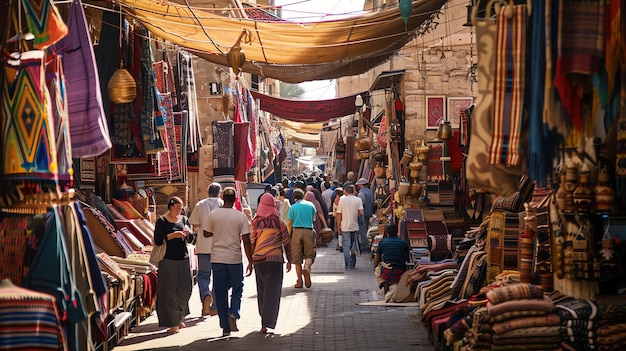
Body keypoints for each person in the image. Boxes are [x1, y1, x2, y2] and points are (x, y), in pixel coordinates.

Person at [205, 187, 253, 337]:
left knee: (220, 292)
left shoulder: (214, 214)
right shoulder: (240, 217)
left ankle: (225, 326)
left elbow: (206, 233)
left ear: (222, 198)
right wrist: (250, 261)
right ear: (235, 200)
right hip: (234, 259)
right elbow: (246, 241)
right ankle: (234, 313)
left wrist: (218, 231)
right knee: (237, 288)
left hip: (218, 258)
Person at [250, 193, 293, 334]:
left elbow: (252, 241)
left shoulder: (255, 221)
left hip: (259, 260)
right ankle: (268, 321)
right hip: (275, 260)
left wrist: (251, 261)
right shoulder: (279, 221)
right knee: (273, 292)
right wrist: (290, 260)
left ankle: (263, 322)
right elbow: (286, 242)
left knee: (261, 290)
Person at [153, 196, 194, 333]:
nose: (179, 210)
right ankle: (174, 323)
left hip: (183, 258)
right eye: (177, 207)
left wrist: (189, 234)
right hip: (168, 260)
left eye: (181, 208)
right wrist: (172, 235)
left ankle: (179, 317)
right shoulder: (162, 221)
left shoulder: (184, 220)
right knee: (170, 291)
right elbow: (158, 240)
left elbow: (191, 240)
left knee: (185, 289)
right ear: (170, 206)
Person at [188, 182, 223, 317]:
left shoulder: (200, 204)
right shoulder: (223, 204)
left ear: (208, 192)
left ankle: (205, 295)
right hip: (219, 246)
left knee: (203, 274)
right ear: (219, 192)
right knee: (218, 276)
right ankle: (214, 307)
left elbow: (195, 226)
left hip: (203, 246)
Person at [287, 189, 317, 288]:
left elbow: (290, 223)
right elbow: (314, 219)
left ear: (295, 198)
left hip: (296, 232)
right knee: (310, 254)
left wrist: (289, 234)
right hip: (309, 230)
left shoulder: (293, 207)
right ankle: (307, 267)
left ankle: (299, 281)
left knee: (297, 258)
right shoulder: (311, 205)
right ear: (303, 196)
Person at [373, 223, 410, 294]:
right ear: (397, 232)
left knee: (377, 269)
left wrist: (379, 263)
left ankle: (383, 282)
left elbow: (376, 260)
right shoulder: (403, 242)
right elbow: (408, 258)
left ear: (388, 233)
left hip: (387, 271)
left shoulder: (383, 242)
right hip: (400, 270)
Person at [335, 184, 364, 270]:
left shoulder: (342, 200)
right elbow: (361, 213)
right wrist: (355, 215)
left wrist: (338, 227)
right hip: (355, 226)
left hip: (345, 226)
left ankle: (348, 265)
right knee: (353, 246)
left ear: (345, 191)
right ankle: (353, 264)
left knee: (346, 246)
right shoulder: (358, 200)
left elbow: (339, 215)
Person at [355, 177, 375, 255]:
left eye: (359, 185)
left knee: (362, 230)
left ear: (362, 185)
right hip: (369, 212)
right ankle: (367, 244)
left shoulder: (361, 193)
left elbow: (360, 203)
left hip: (363, 213)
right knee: (367, 228)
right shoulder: (370, 192)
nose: (359, 186)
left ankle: (364, 246)